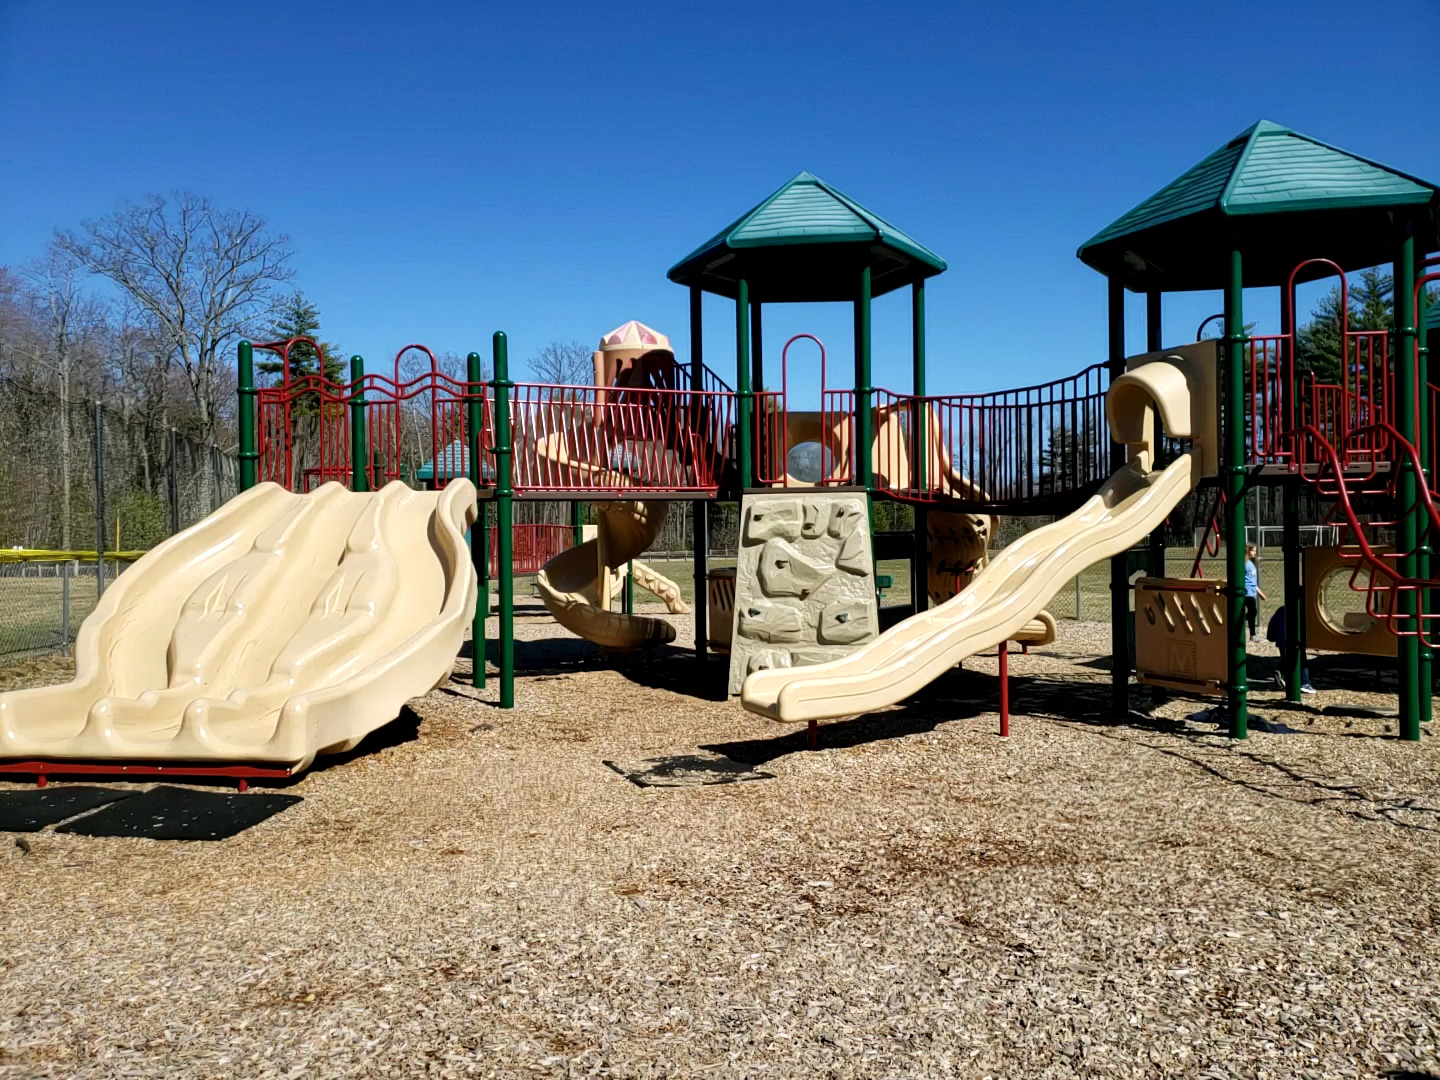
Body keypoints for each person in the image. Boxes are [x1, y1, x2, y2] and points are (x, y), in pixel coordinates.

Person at [1266, 605, 1316, 694]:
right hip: (1297, 640)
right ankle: (1305, 683)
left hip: (1281, 640)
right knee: (1301, 661)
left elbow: (1272, 624)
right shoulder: (1303, 610)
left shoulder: (1281, 609)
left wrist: (1271, 636)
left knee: (1286, 659)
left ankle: (1281, 672)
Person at [1243, 544, 1267, 642]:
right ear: (1247, 551)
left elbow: (1252, 582)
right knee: (1253, 612)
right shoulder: (1244, 563)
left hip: (1251, 592)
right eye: (1253, 550)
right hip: (1246, 592)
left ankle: (1252, 634)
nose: (1255, 553)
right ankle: (1252, 635)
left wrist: (1260, 593)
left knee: (1252, 612)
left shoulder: (1251, 564)